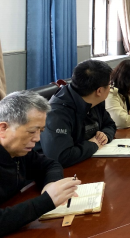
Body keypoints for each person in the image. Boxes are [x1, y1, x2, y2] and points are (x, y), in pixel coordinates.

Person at [0, 91, 81, 237]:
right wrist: (47, 201)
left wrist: (51, 184)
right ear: (3, 128)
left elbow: (50, 165)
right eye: (32, 131)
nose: (37, 138)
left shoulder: (19, 151)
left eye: (41, 131)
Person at [36, 60, 117, 168]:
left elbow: (110, 124)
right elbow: (61, 157)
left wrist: (105, 135)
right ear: (99, 91)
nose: (111, 88)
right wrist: (93, 145)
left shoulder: (95, 101)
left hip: (88, 161)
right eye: (110, 84)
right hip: (59, 172)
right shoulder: (57, 113)